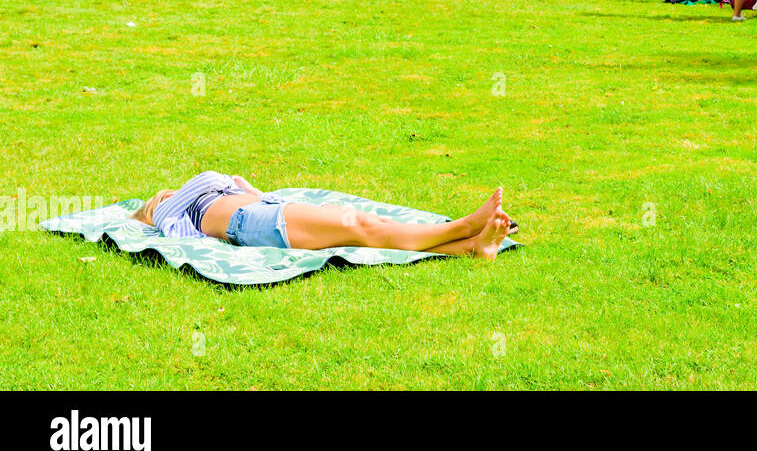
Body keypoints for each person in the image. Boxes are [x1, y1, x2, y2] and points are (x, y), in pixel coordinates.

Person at [131, 171, 513, 260]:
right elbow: (163, 219)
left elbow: (251, 189)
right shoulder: (173, 210)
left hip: (262, 214)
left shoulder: (211, 193)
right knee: (359, 227)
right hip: (252, 223)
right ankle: (464, 226)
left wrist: (243, 187)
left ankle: (471, 248)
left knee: (359, 227)